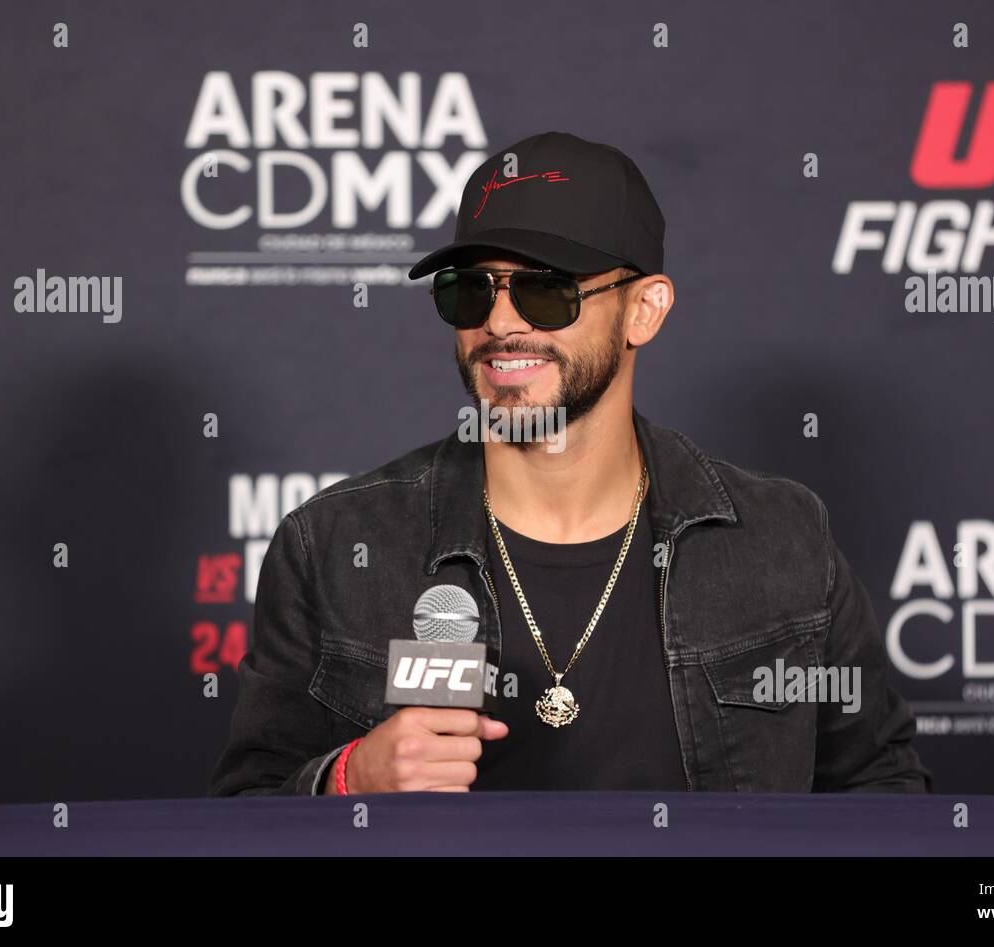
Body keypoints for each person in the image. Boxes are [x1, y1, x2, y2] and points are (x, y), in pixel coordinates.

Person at [209, 131, 931, 795]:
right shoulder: (334, 545)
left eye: (545, 288)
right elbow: (245, 808)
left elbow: (883, 786)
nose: (499, 322)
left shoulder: (779, 537)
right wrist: (349, 779)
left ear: (644, 310)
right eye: (471, 289)